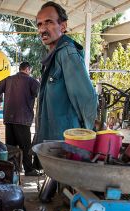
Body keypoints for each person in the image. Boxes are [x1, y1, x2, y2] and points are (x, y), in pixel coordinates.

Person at [33, 1, 97, 145]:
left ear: (63, 26)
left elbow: (87, 99)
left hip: (67, 144)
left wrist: (86, 135)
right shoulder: (52, 57)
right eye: (39, 24)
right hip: (52, 142)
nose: (43, 29)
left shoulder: (67, 54)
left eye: (48, 22)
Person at [0, 61, 41, 176]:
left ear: (20, 69)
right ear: (28, 69)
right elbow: (42, 94)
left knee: (11, 146)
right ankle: (29, 170)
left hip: (9, 118)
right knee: (25, 146)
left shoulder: (8, 79)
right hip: (23, 119)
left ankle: (12, 170)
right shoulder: (32, 81)